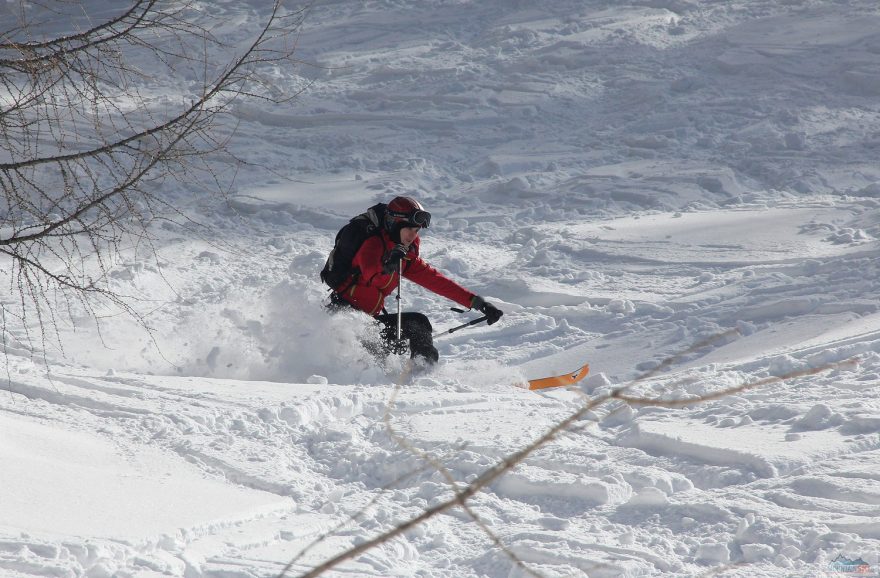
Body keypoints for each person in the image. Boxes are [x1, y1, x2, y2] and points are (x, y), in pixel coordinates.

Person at [326, 196, 503, 365]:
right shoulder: (372, 244)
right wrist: (388, 265)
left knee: (418, 324)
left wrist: (478, 303)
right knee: (379, 350)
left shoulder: (405, 255)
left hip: (369, 324)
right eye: (409, 229)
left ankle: (422, 372)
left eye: (416, 230)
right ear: (395, 225)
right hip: (344, 324)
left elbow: (436, 281)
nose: (413, 235)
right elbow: (373, 275)